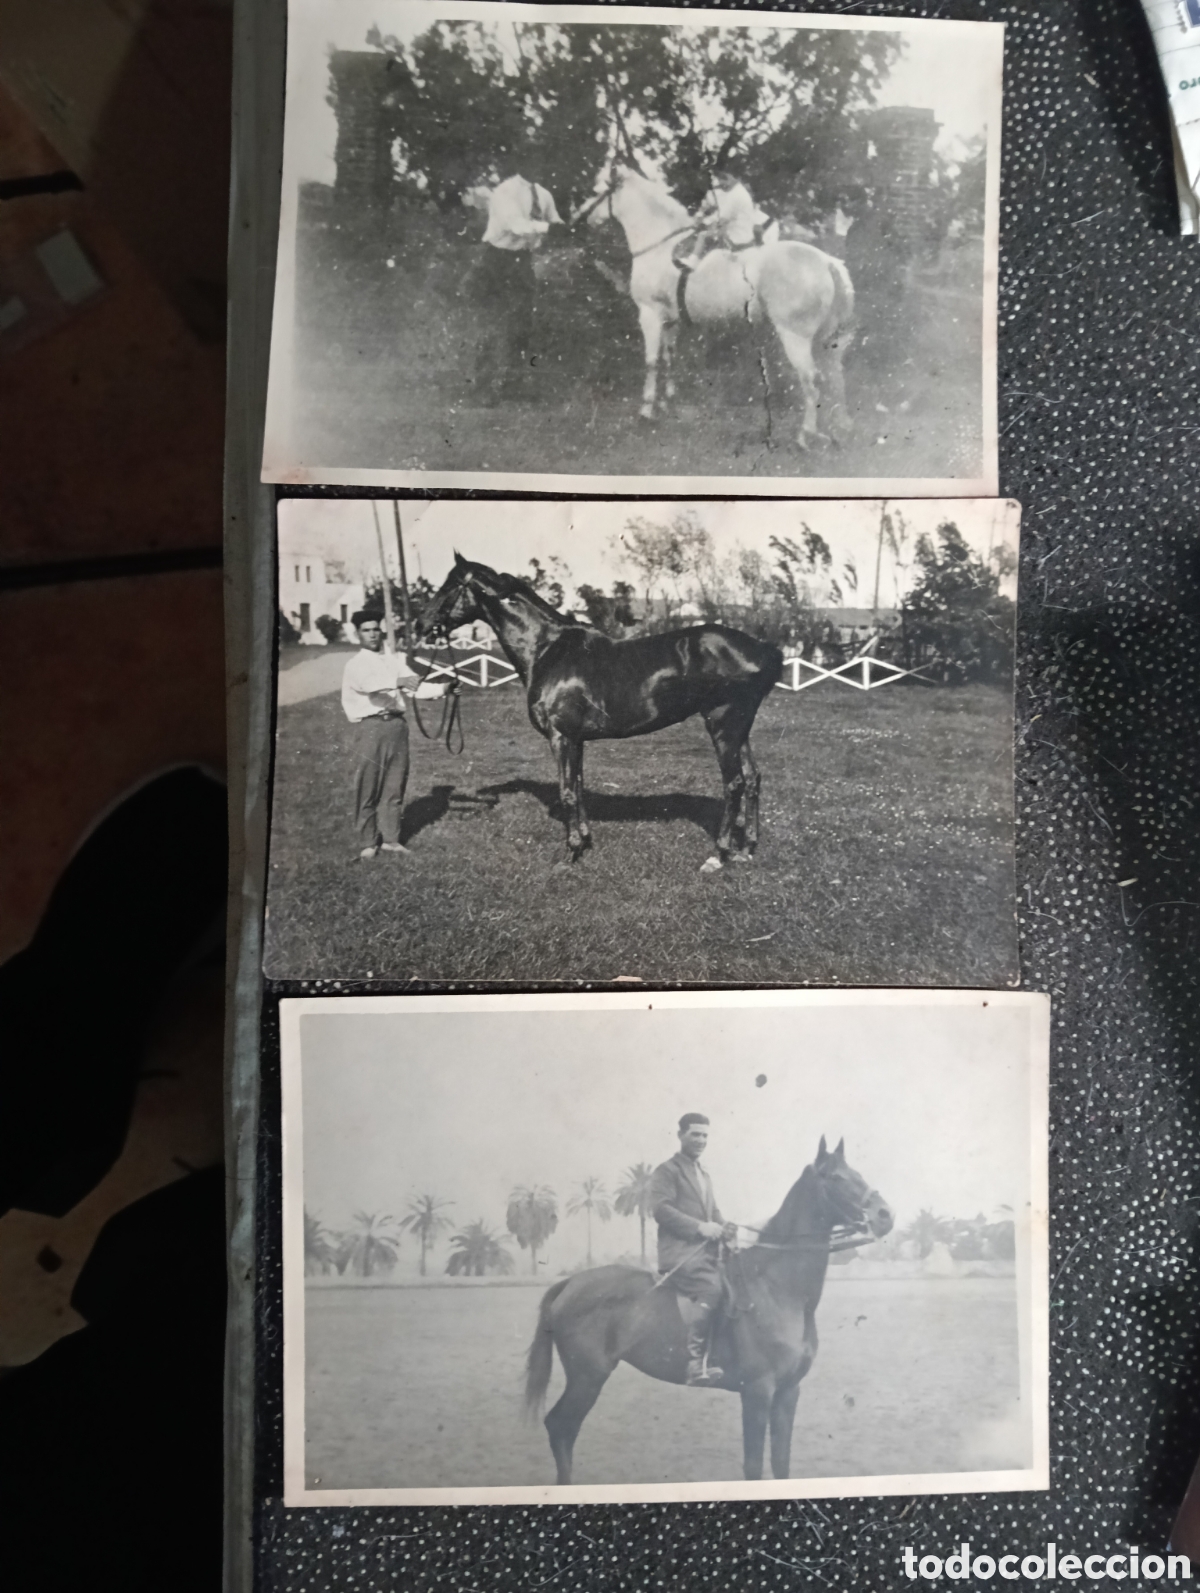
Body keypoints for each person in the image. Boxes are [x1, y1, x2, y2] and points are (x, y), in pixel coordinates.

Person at [341, 608, 447, 861]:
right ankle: (368, 842)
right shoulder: (355, 664)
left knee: (394, 786)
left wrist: (445, 687)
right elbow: (368, 685)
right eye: (366, 630)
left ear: (381, 631)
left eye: (376, 629)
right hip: (371, 727)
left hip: (397, 728)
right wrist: (400, 681)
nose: (372, 634)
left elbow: (415, 688)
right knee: (368, 786)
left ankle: (391, 840)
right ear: (358, 634)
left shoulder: (393, 661)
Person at [649, 1113, 737, 1387]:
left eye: (705, 1135)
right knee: (712, 1288)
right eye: (695, 1134)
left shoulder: (703, 1173)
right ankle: (695, 1361)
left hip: (707, 1253)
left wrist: (726, 1228)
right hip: (681, 1255)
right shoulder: (667, 1171)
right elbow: (661, 1209)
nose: (701, 1140)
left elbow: (714, 1212)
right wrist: (700, 1227)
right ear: (680, 1135)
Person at [474, 161, 563, 399]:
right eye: (532, 158)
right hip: (495, 258)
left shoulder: (544, 195)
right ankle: (482, 388)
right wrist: (549, 228)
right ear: (521, 162)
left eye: (543, 158)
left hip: (521, 262)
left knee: (521, 324)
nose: (539, 165)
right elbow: (516, 226)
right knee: (492, 324)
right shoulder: (506, 191)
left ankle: (512, 386)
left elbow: (556, 223)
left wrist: (569, 229)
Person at [673, 166, 771, 271]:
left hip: (737, 235)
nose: (721, 182)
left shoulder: (735, 195)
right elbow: (721, 216)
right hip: (739, 230)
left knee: (703, 236)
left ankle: (693, 262)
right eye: (720, 179)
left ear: (733, 177)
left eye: (724, 179)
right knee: (709, 232)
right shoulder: (737, 191)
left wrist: (704, 224)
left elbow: (721, 220)